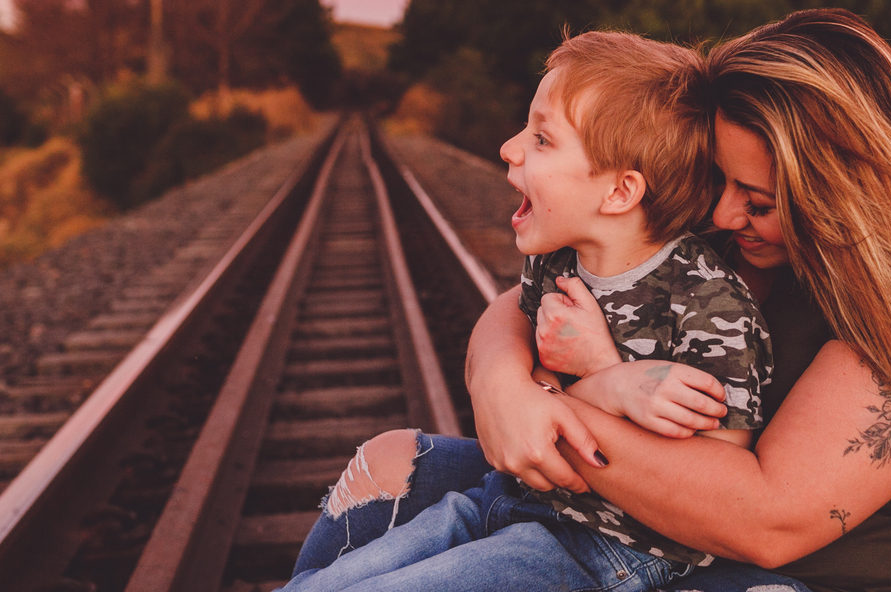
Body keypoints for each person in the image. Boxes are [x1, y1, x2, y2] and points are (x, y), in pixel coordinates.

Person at [293, 9, 891, 592]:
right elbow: (519, 307)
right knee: (388, 463)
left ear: (841, 193)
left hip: (769, 574)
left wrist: (556, 404)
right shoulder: (739, 237)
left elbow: (765, 521)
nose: (723, 214)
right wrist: (500, 385)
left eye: (758, 200)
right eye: (723, 181)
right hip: (646, 526)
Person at [284, 30, 771, 592]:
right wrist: (604, 387)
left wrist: (599, 378)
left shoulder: (710, 307)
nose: (508, 148)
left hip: (609, 547)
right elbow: (537, 378)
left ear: (619, 192)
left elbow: (712, 487)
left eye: (541, 138)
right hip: (508, 498)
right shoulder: (555, 260)